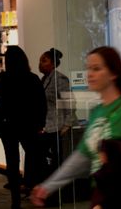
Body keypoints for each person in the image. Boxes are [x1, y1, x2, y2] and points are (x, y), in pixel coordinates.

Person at [30, 46, 121, 208]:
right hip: (102, 195)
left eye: (97, 69)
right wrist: (47, 187)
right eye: (88, 68)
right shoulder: (98, 112)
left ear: (113, 74)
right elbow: (82, 157)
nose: (90, 74)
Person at [0, 45, 46, 209]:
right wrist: (40, 124)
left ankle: (16, 200)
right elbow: (41, 104)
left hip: (8, 125)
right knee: (34, 157)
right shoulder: (33, 78)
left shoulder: (3, 78)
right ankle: (34, 189)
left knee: (12, 162)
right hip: (29, 124)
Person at [39, 48, 75, 177]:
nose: (40, 64)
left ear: (53, 64)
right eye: (40, 61)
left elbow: (69, 101)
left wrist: (67, 123)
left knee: (55, 160)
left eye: (44, 61)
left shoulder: (60, 79)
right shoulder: (44, 79)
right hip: (46, 126)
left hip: (56, 126)